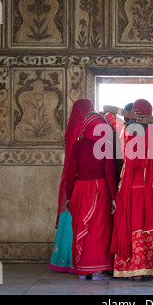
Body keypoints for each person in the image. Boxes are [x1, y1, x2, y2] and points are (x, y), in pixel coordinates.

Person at [105, 99, 153, 281]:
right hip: (150, 185)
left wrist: (126, 115)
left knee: (131, 223)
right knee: (148, 224)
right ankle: (147, 268)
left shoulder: (123, 127)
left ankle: (133, 269)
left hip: (130, 185)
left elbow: (106, 110)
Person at [65, 111, 117, 280]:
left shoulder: (77, 146)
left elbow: (70, 173)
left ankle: (82, 269)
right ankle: (97, 270)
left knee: (81, 226)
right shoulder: (106, 146)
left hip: (80, 188)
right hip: (99, 189)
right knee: (99, 229)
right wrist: (113, 197)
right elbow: (109, 174)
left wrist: (69, 195)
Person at [49, 99, 93, 274]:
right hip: (79, 178)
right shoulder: (81, 128)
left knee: (70, 217)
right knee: (79, 218)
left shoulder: (72, 127)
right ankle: (77, 260)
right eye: (90, 109)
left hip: (71, 177)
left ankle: (63, 260)